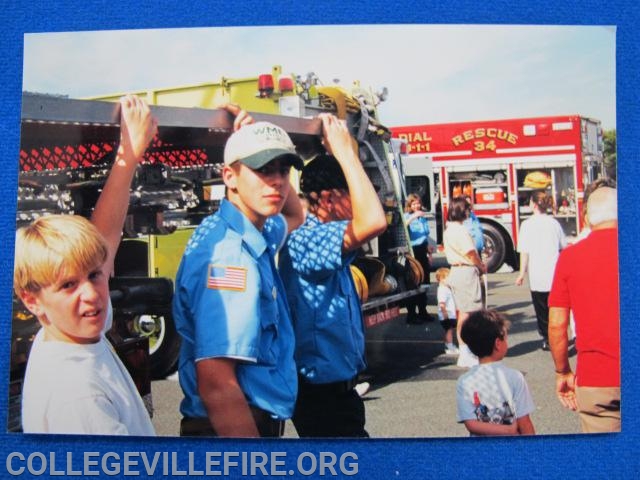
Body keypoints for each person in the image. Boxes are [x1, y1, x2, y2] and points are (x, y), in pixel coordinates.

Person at [14, 95, 158, 435]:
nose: (92, 294)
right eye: (68, 285)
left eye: (95, 276)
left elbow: (104, 241)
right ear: (32, 300)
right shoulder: (79, 400)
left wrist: (130, 154)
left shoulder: (68, 328)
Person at [173, 114, 305, 437]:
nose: (276, 181)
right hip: (233, 429)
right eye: (263, 169)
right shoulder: (231, 258)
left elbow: (295, 214)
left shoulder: (251, 229)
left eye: (283, 170)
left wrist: (255, 137)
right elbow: (218, 385)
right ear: (229, 177)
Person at [279, 113, 387, 437]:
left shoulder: (326, 236)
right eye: (351, 192)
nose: (359, 202)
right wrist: (345, 153)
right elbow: (374, 222)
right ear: (327, 198)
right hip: (320, 393)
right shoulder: (305, 238)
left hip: (338, 389)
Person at [548, 186, 620, 433]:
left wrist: (562, 371)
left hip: (596, 380)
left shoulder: (570, 257)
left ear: (587, 219)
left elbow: (557, 324)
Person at [456, 309, 536, 436]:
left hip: (481, 451)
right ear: (498, 344)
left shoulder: (464, 381)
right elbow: (524, 422)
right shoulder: (515, 377)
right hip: (512, 449)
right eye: (505, 337)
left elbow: (470, 424)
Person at [515, 191, 567, 351]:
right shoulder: (554, 223)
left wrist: (521, 273)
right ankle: (558, 336)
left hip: (537, 274)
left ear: (534, 204)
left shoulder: (527, 225)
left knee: (541, 309)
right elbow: (562, 247)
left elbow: (524, 252)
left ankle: (547, 338)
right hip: (554, 272)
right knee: (555, 308)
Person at [443, 196, 487, 368]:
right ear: (461, 210)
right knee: (469, 313)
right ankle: (466, 351)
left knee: (463, 312)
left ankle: (465, 350)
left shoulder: (449, 229)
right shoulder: (460, 230)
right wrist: (481, 265)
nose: (469, 211)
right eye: (467, 208)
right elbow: (470, 252)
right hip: (466, 271)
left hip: (456, 270)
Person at [403, 193, 435, 324]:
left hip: (422, 250)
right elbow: (403, 227)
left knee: (424, 282)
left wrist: (429, 252)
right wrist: (412, 217)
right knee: (413, 282)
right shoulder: (407, 216)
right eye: (414, 203)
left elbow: (425, 236)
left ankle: (423, 311)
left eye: (418, 203)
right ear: (409, 205)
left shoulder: (422, 218)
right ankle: (411, 314)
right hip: (412, 252)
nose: (417, 206)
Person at [435, 267, 459, 355]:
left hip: (449, 314)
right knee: (449, 330)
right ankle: (450, 346)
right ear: (441, 279)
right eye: (448, 278)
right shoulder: (442, 290)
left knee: (449, 330)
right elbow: (442, 304)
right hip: (447, 315)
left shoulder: (446, 288)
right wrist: (445, 314)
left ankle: (448, 344)